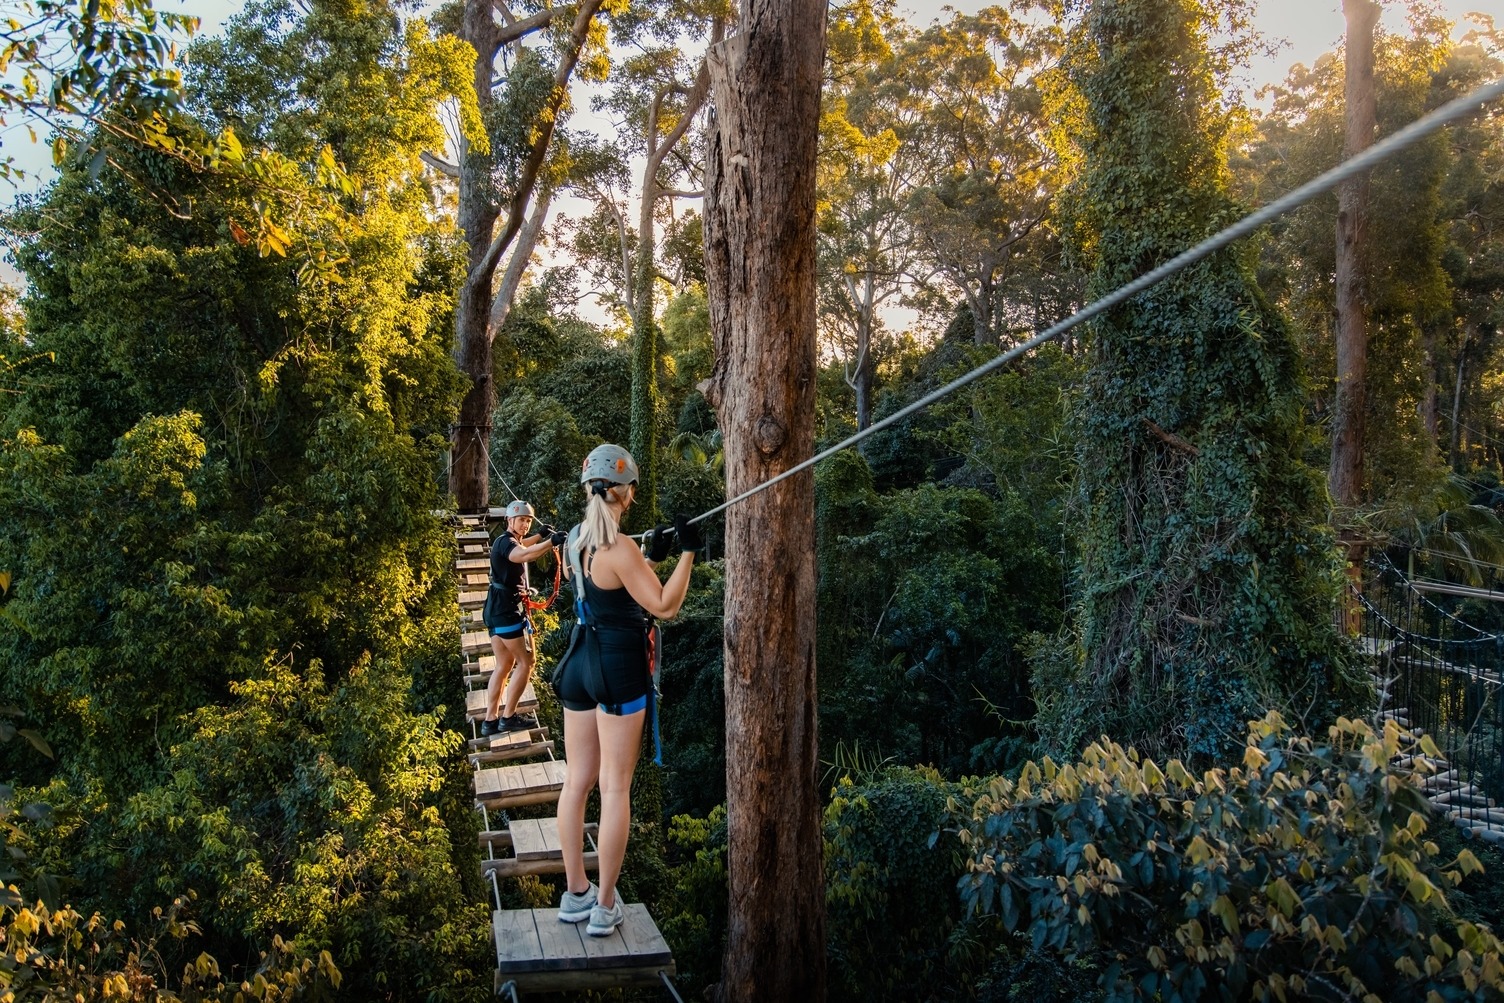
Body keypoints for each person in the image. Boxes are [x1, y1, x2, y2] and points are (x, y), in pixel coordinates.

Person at [552, 444, 700, 937]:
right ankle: (605, 905)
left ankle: (576, 894)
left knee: (578, 781)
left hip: (579, 665)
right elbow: (662, 604)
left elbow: (607, 588)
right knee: (615, 787)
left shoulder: (575, 541)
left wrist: (648, 556)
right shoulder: (620, 548)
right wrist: (687, 551)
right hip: (617, 670)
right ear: (627, 493)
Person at [480, 499, 567, 736]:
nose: (525, 525)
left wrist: (539, 536)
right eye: (522, 520)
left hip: (495, 609)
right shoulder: (508, 543)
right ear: (510, 520)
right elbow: (524, 555)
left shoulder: (504, 541)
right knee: (527, 662)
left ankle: (490, 720)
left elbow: (523, 545)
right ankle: (508, 717)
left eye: (528, 521)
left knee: (504, 664)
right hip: (506, 611)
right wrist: (551, 542)